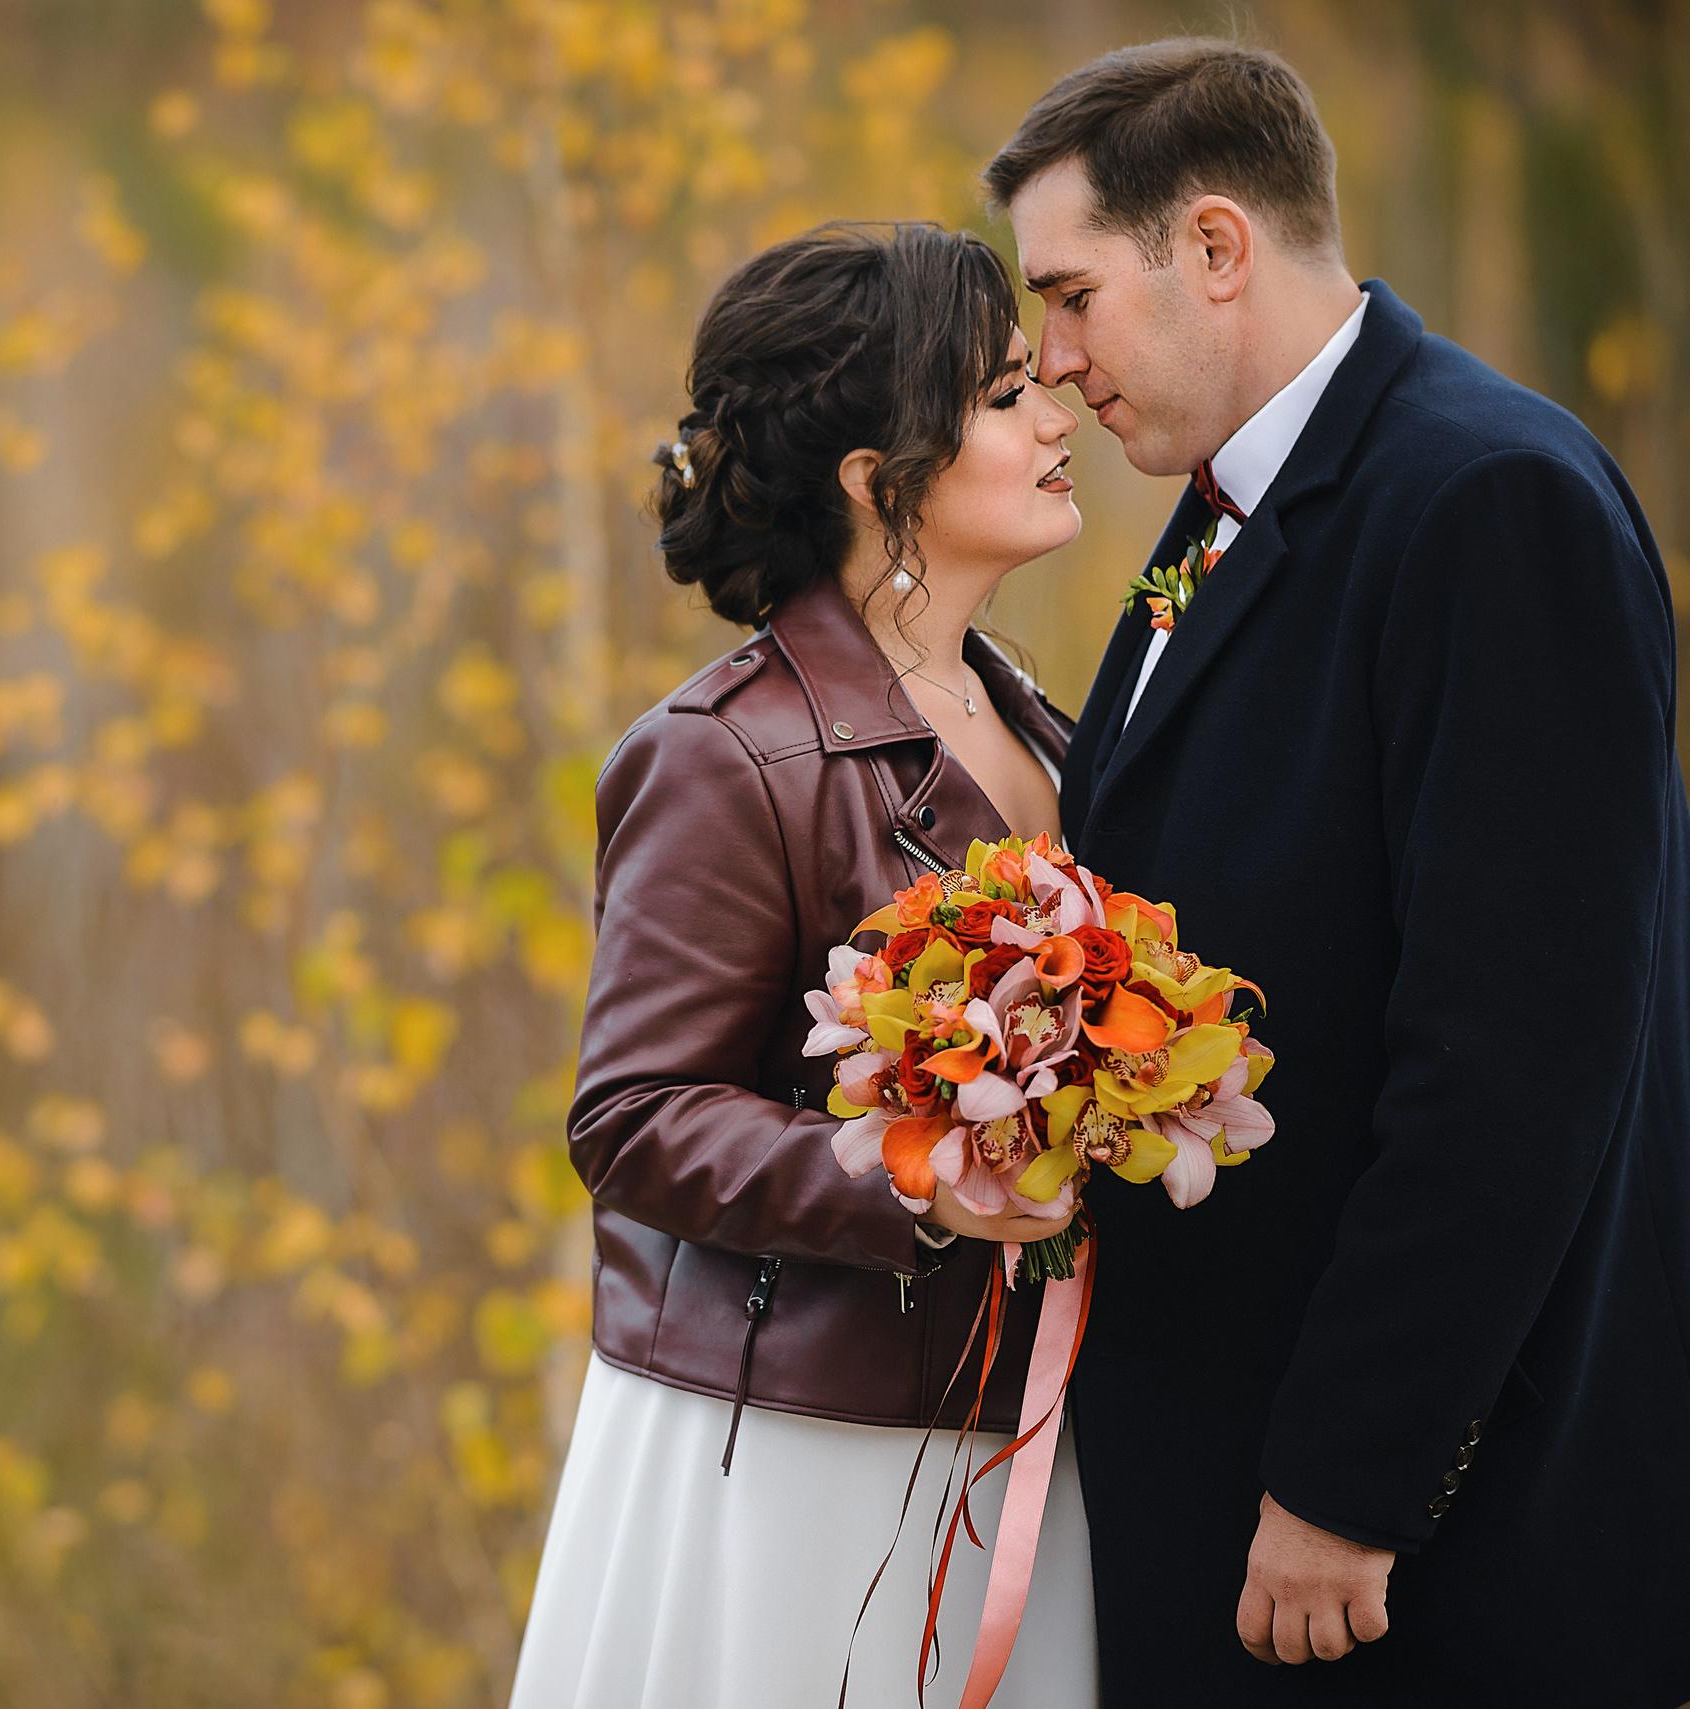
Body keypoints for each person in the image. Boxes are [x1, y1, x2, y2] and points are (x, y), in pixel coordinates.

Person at [986, 38, 1690, 1707]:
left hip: (1410, 1541)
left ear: (1217, 248)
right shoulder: (1224, 508)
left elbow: (1516, 1059)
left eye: (1074, 295)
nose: (1053, 360)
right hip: (1213, 1461)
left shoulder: (1488, 500)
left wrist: (1353, 1477)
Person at [509, 222, 1096, 1708]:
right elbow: (632, 1114)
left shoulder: (1047, 724)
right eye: (1005, 391)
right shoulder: (723, 755)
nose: (1057, 414)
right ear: (873, 475)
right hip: (793, 1460)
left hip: (1021, 1436)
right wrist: (915, 1178)